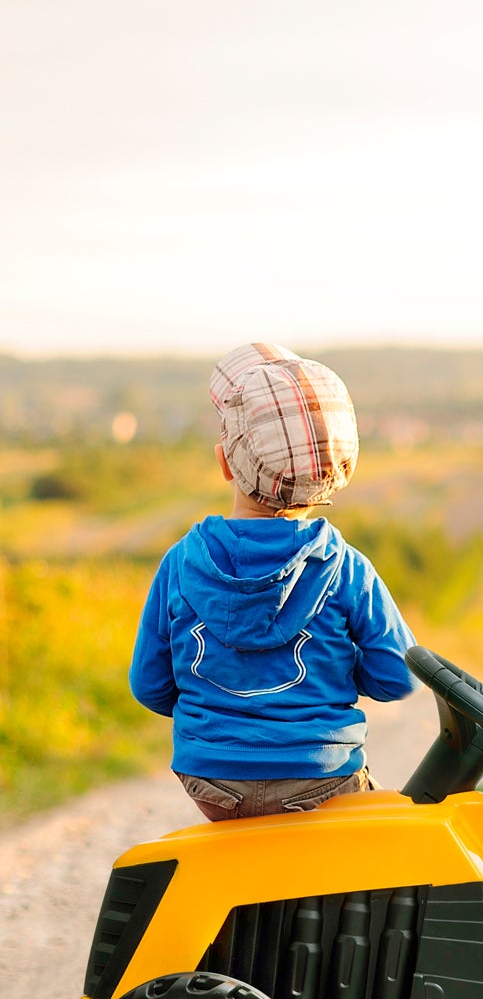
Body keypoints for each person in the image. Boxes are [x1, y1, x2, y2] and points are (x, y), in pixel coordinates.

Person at [129, 342, 419, 820]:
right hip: (323, 776)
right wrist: (339, 672)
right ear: (336, 471)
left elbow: (149, 686)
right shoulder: (346, 568)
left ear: (225, 464)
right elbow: (399, 678)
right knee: (385, 842)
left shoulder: (181, 563)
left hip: (211, 781)